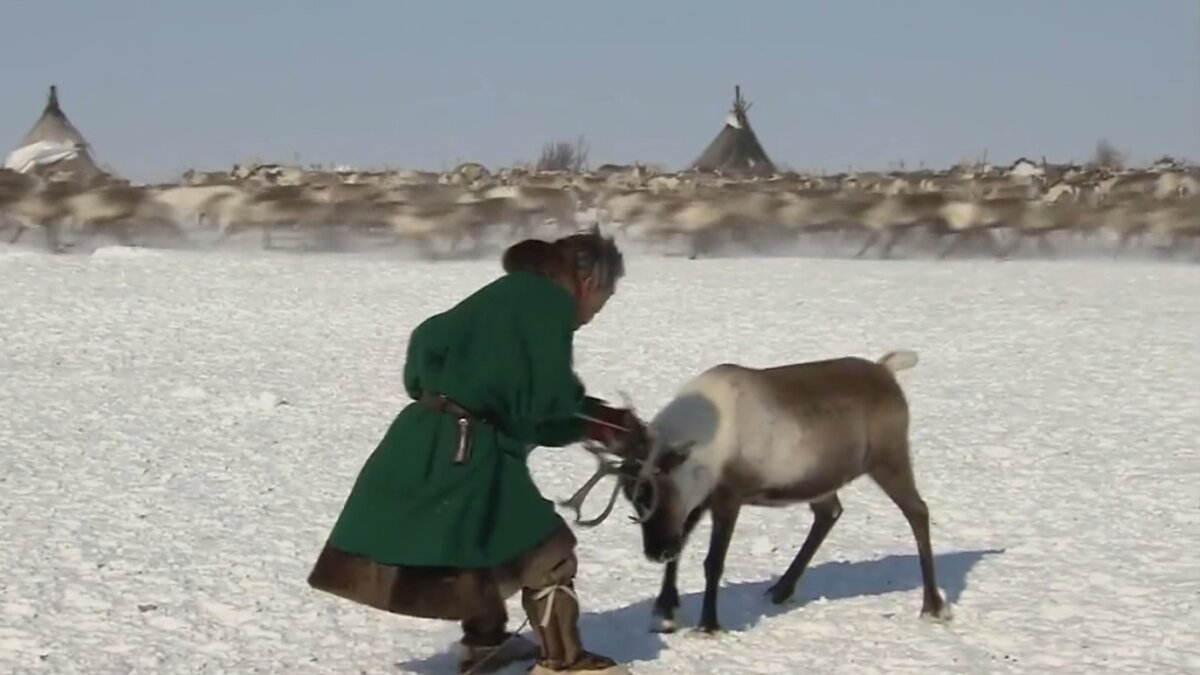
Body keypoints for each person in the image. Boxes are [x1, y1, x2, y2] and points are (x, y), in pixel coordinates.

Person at [307, 226, 645, 675]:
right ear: (589, 283)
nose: (593, 316)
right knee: (547, 548)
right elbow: (544, 406)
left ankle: (484, 643)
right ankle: (563, 662)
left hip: (425, 436)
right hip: (467, 448)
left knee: (481, 537)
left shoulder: (505, 295)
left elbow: (428, 341)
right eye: (601, 302)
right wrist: (605, 425)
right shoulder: (548, 303)